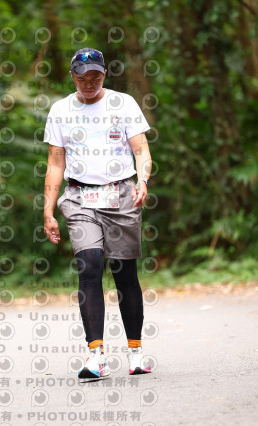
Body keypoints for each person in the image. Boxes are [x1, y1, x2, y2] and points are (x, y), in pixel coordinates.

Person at [43, 48, 153, 378]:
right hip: (79, 196)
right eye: (82, 79)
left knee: (124, 274)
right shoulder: (61, 110)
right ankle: (96, 356)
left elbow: (141, 150)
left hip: (121, 195)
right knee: (89, 266)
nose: (89, 84)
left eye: (95, 77)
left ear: (105, 74)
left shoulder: (123, 104)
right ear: (72, 77)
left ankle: (135, 352)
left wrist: (143, 180)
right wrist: (48, 209)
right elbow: (55, 163)